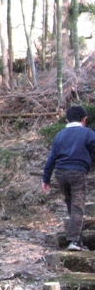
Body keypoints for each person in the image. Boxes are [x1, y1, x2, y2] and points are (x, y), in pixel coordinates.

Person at [42, 104, 95, 250]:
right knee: (78, 206)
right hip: (77, 172)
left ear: (67, 120)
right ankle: (74, 241)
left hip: (60, 173)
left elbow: (51, 158)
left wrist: (46, 178)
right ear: (84, 119)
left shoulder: (59, 135)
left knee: (71, 204)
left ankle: (77, 239)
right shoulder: (88, 133)